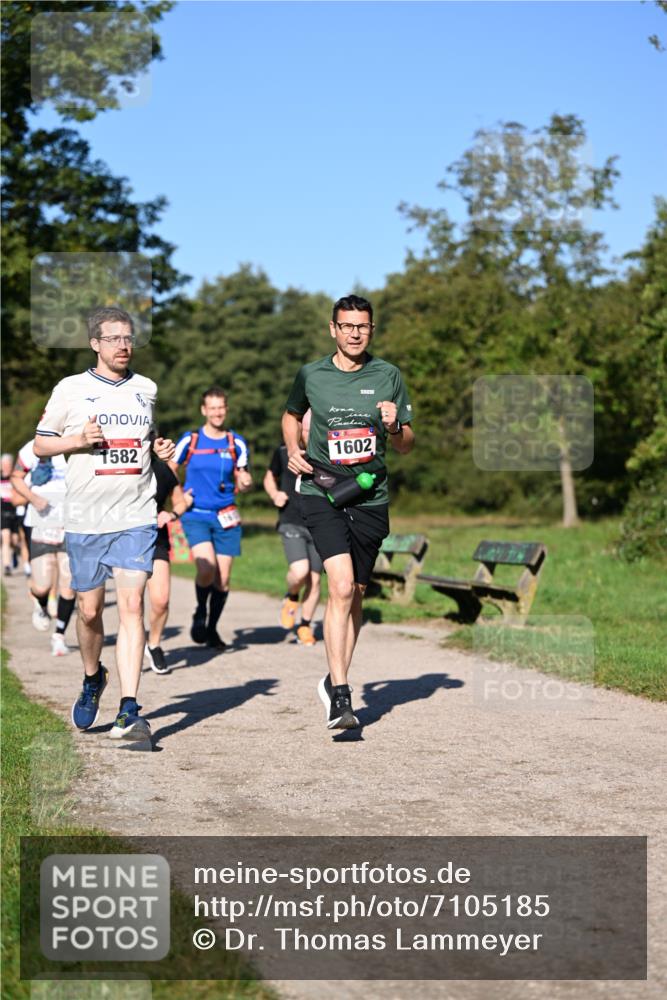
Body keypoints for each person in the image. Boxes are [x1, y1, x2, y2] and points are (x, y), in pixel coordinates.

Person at [33, 306, 175, 740]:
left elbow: (144, 443)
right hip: (86, 518)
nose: (124, 345)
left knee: (131, 607)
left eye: (128, 338)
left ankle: (129, 709)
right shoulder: (71, 389)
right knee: (90, 610)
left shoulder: (146, 389)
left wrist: (159, 452)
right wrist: (78, 440)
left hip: (136, 514)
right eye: (114, 339)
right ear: (95, 343)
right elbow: (41, 445)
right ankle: (94, 676)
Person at [282, 294, 414, 730]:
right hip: (321, 491)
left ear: (371, 330)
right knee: (339, 587)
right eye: (347, 326)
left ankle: (332, 677)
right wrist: (293, 448)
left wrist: (395, 425)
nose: (355, 333)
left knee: (355, 593)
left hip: (371, 496)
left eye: (362, 326)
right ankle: (341, 695)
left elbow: (406, 444)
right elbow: (291, 414)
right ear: (333, 329)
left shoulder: (388, 375)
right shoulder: (311, 374)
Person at [172, 387, 252, 651]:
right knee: (206, 569)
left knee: (223, 579)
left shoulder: (235, 442)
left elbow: (243, 474)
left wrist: (246, 480)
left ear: (226, 409)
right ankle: (199, 612)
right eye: (212, 408)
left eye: (221, 407)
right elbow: (170, 468)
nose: (217, 412)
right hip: (196, 515)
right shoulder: (191, 440)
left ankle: (212, 629)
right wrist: (179, 499)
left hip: (226, 516)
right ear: (203, 410)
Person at [11, 439, 75, 654]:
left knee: (69, 585)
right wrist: (33, 498)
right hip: (41, 523)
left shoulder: (77, 443)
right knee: (42, 585)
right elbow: (15, 478)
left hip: (70, 524)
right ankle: (40, 601)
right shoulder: (32, 447)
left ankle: (59, 636)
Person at [263, 410, 322, 646]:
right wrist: (274, 493)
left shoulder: (325, 454)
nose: (305, 432)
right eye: (302, 427)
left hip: (319, 523)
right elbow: (269, 477)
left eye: (310, 427)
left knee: (315, 580)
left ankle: (305, 626)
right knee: (300, 572)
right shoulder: (283, 451)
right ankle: (291, 595)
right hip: (291, 520)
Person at [144, 445, 194, 674]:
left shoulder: (162, 470)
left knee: (161, 600)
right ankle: (132, 646)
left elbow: (181, 501)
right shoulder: (118, 467)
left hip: (156, 538)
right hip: (123, 538)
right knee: (131, 603)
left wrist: (171, 514)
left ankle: (153, 644)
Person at [1, 454, 19, 575]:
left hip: (15, 511)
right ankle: (7, 566)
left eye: (8, 465)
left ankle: (13, 555)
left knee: (14, 540)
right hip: (2, 511)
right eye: (4, 465)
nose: (6, 467)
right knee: (6, 537)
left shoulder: (15, 478)